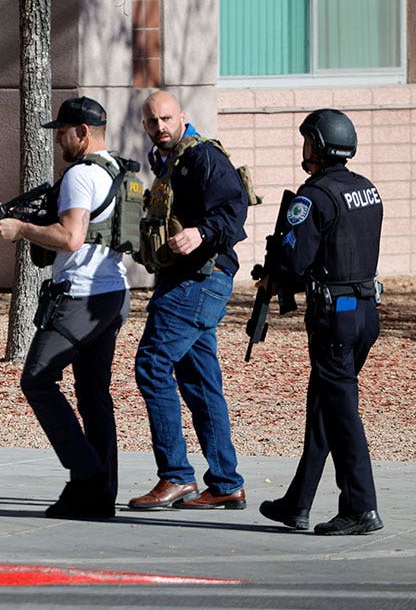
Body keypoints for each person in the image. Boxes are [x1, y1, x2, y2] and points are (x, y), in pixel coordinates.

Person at [0, 97, 131, 519]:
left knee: (37, 379)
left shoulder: (81, 175)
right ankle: (100, 495)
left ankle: (87, 475)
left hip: (81, 297)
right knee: (92, 394)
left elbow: (70, 237)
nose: (59, 140)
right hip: (113, 294)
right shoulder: (118, 170)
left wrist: (21, 229)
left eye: (63, 132)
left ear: (83, 133)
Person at [258, 109, 384, 535]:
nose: (304, 148)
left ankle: (360, 506)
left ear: (318, 145)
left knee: (342, 410)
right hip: (366, 311)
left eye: (307, 141)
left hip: (336, 319)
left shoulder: (313, 197)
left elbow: (294, 260)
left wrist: (277, 266)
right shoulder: (366, 190)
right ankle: (298, 502)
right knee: (325, 407)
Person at [128, 90, 248, 511]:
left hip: (199, 280)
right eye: (151, 122)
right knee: (199, 380)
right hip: (185, 279)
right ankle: (226, 483)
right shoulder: (167, 160)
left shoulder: (202, 157)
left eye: (165, 119)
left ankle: (176, 477)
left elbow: (234, 209)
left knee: (152, 364)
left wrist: (200, 232)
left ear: (182, 116)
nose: (159, 127)